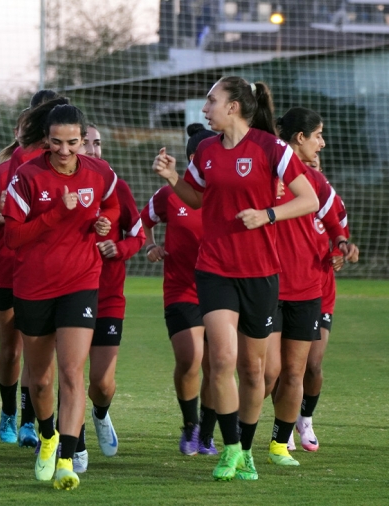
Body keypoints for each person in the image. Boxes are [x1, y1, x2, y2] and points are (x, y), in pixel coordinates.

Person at [152, 77, 319, 481]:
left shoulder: (271, 147)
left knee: (253, 370)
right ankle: (229, 450)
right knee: (222, 360)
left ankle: (246, 449)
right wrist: (173, 178)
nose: (204, 109)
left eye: (211, 101)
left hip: (261, 274)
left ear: (233, 107)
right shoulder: (207, 151)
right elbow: (196, 198)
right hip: (214, 270)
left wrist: (267, 215)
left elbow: (309, 199)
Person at [3, 103, 118, 491]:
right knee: (40, 381)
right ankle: (48, 436)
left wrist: (104, 222)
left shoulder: (100, 173)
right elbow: (12, 237)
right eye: (56, 142)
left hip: (80, 283)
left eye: (72, 142)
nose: (64, 150)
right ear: (46, 140)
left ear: (83, 139)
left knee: (71, 373)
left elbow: (112, 204)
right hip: (33, 288)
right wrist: (56, 214)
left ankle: (67, 459)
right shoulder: (27, 176)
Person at [262, 108, 356, 465]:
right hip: (266, 287)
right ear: (299, 138)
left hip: (307, 291)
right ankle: (237, 440)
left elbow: (336, 226)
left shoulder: (316, 182)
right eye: (318, 135)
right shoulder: (264, 174)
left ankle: (281, 440)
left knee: (299, 371)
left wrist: (342, 245)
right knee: (267, 373)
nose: (323, 143)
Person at [141, 123, 218, 456]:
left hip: (220, 290)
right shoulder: (170, 194)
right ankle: (190, 426)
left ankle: (207, 435)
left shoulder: (227, 193)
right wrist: (150, 245)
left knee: (217, 366)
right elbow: (143, 221)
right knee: (190, 359)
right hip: (181, 289)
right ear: (193, 159)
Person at [76, 122, 146, 472]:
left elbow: (138, 235)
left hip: (108, 298)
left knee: (102, 383)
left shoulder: (118, 186)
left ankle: (101, 413)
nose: (93, 149)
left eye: (98, 143)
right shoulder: (64, 188)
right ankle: (73, 442)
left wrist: (117, 249)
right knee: (70, 374)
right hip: (70, 294)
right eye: (86, 143)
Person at [0, 107, 40, 448]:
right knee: (11, 350)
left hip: (39, 272)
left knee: (36, 351)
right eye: (24, 128)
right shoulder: (1, 171)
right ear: (17, 132)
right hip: (5, 269)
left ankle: (28, 422)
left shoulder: (50, 168)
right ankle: (8, 411)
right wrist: (1, 212)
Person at [299, 154, 357, 452]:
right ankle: (282, 427)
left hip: (322, 293)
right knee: (283, 368)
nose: (310, 171)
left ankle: (305, 419)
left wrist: (340, 254)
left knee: (313, 364)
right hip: (288, 290)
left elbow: (340, 236)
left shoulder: (330, 200)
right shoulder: (285, 199)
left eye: (315, 166)